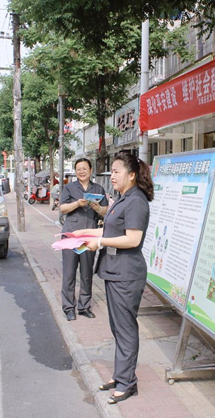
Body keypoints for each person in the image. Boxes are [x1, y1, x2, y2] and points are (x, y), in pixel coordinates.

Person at [75, 152, 154, 404]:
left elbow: (132, 239)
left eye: (117, 171)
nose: (113, 175)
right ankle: (121, 375)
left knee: (126, 328)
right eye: (112, 171)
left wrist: (98, 241)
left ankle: (128, 382)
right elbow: (112, 229)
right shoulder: (122, 199)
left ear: (131, 175)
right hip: (115, 271)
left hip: (126, 274)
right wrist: (83, 233)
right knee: (118, 327)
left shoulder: (136, 201)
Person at [59, 158, 108, 321]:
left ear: (90, 170)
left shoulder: (98, 188)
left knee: (87, 273)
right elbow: (63, 208)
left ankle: (84, 306)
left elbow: (105, 211)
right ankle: (68, 307)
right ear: (75, 171)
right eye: (78, 169)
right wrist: (77, 204)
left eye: (84, 168)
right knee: (69, 272)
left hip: (89, 236)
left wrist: (98, 208)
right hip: (71, 235)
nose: (81, 171)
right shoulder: (69, 187)